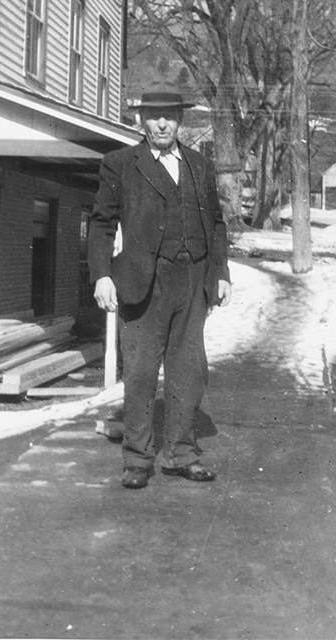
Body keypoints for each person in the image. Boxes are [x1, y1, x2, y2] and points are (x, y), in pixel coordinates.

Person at [88, 80, 232, 489]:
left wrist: (220, 272)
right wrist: (101, 274)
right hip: (142, 283)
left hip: (192, 280)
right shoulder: (120, 163)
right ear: (141, 120)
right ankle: (137, 459)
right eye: (154, 117)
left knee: (189, 371)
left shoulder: (199, 165)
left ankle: (181, 453)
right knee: (140, 373)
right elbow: (100, 223)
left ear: (181, 120)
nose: (162, 124)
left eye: (169, 116)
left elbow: (217, 223)